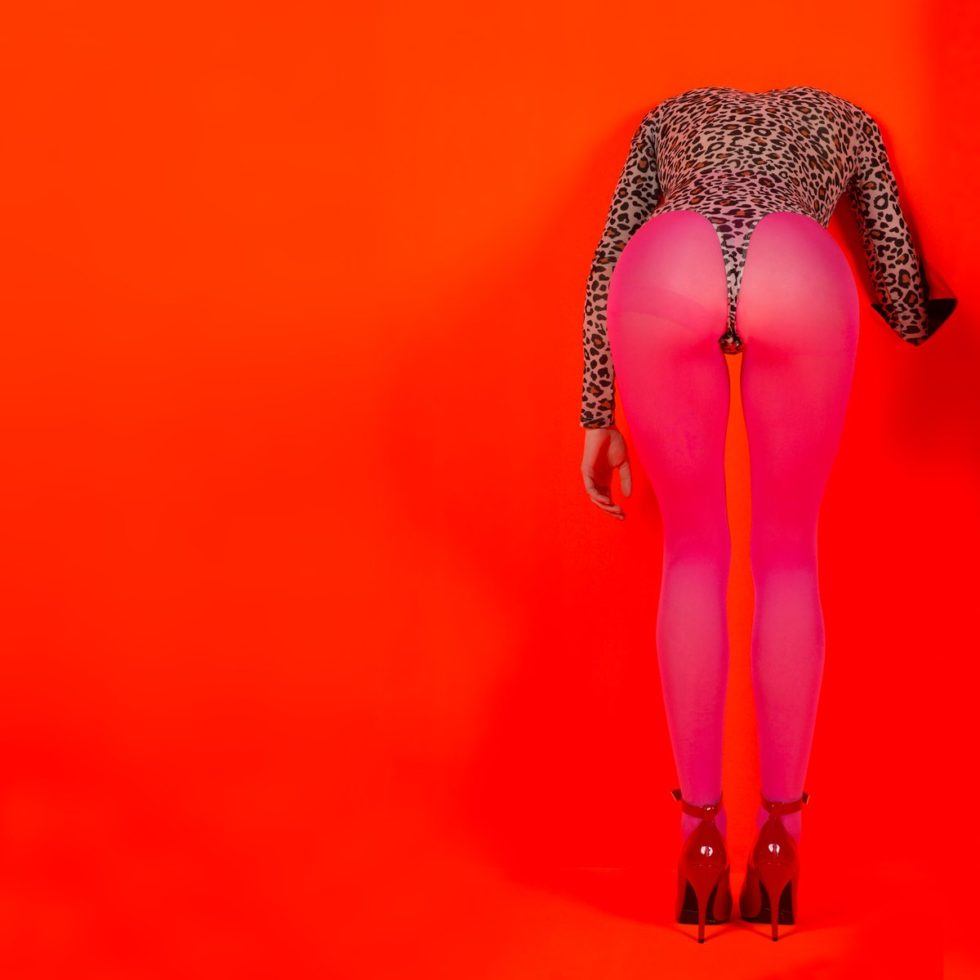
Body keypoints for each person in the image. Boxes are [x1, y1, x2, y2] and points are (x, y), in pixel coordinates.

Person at [577, 86, 957, 943]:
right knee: (787, 555)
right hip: (796, 264)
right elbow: (902, 292)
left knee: (692, 553)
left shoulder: (669, 114)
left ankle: (700, 841)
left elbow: (609, 259)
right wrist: (920, 311)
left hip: (668, 263)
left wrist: (596, 412)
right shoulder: (848, 121)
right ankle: (782, 840)